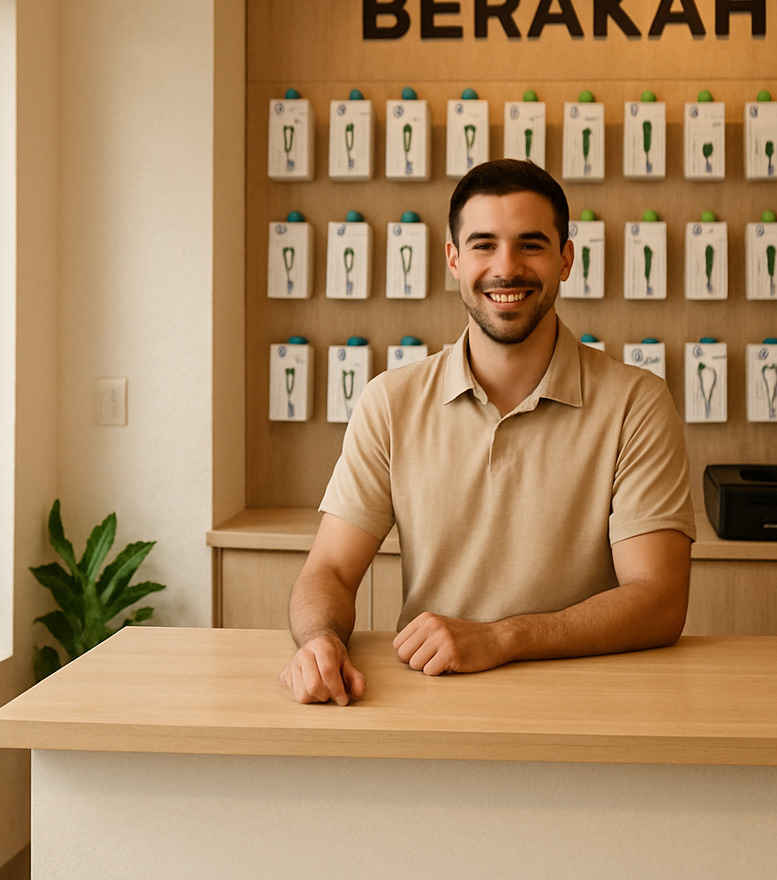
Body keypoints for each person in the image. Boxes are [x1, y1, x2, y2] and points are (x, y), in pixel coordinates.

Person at [280, 159, 696, 705]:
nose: (507, 267)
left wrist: (503, 638)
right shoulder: (391, 401)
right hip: (429, 701)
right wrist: (320, 641)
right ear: (453, 260)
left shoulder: (636, 403)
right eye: (482, 245)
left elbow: (658, 600)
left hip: (588, 706)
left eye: (531, 244)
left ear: (566, 259)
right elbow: (329, 570)